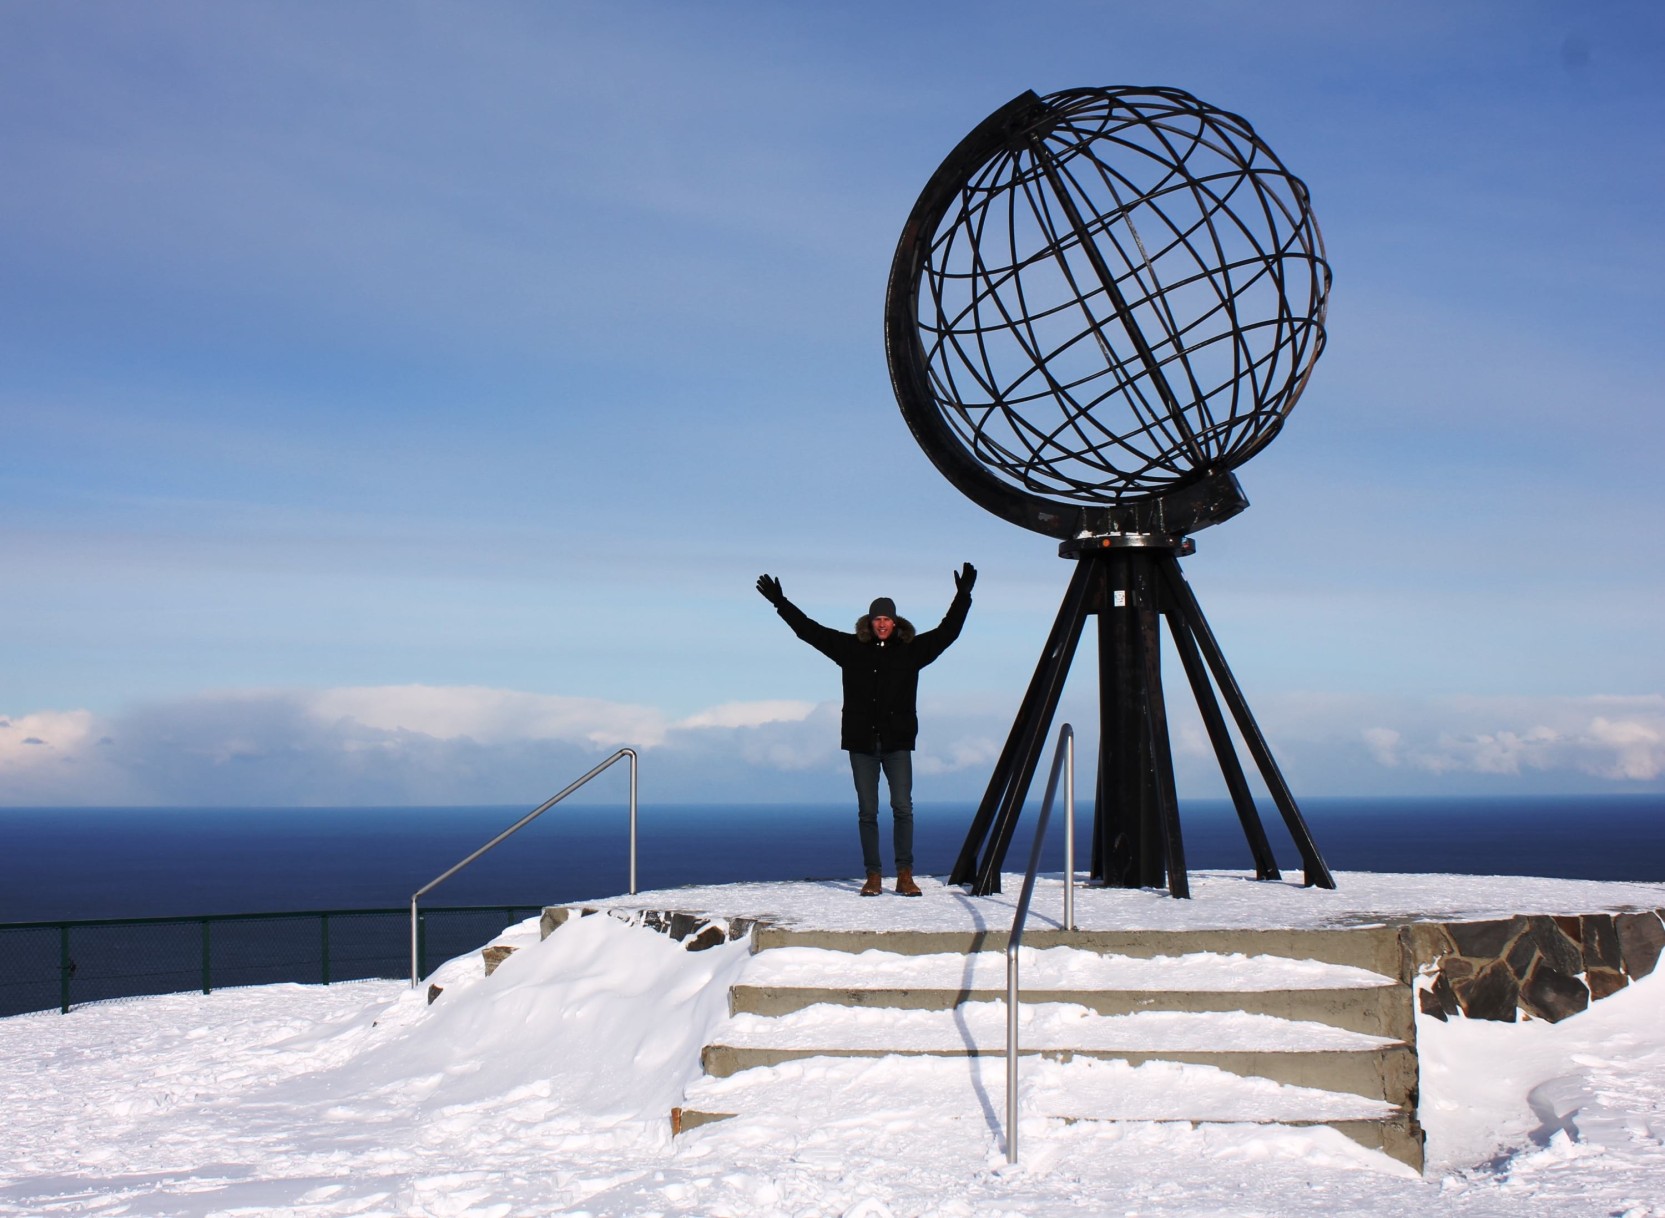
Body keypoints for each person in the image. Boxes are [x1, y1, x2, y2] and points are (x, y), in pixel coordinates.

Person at [756, 564, 976, 897]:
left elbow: (948, 632)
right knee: (867, 812)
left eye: (887, 619)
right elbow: (809, 631)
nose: (883, 624)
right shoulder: (850, 649)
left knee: (903, 808)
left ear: (895, 622)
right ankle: (873, 875)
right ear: (870, 623)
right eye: (877, 619)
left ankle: (904, 874)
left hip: (897, 742)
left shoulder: (911, 651)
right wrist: (780, 603)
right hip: (861, 743)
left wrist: (963, 597)